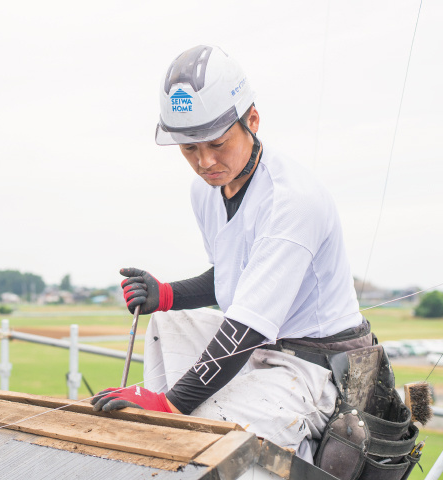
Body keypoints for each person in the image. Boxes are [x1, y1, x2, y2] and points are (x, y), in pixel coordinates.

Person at [91, 45, 373, 463]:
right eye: (189, 150)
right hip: (265, 347)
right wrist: (166, 295)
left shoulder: (291, 200)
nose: (205, 162)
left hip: (319, 366)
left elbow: (246, 324)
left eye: (217, 144)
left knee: (203, 423)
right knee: (165, 327)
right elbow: (231, 276)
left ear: (252, 121)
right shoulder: (206, 191)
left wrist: (171, 405)